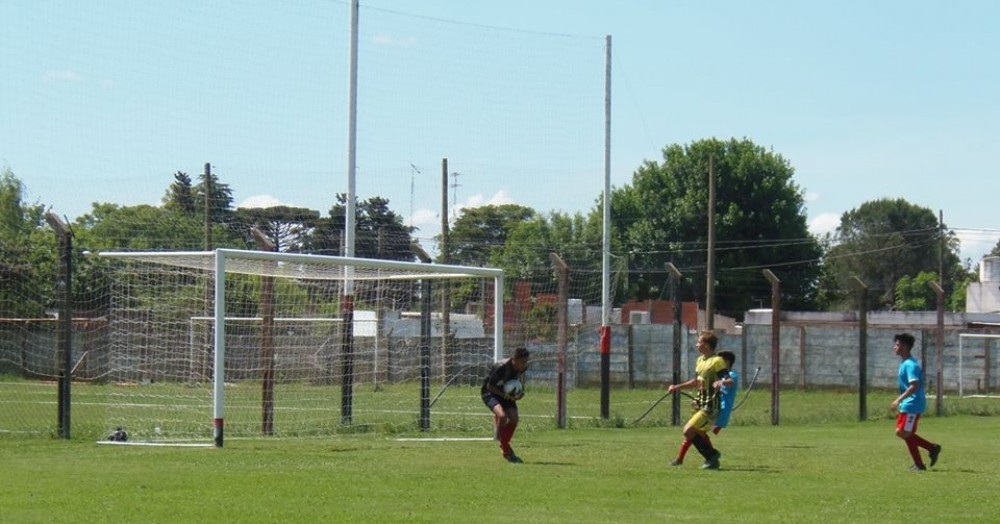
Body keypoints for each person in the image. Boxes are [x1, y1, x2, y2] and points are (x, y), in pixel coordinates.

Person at [666, 330, 731, 470]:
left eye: (699, 342)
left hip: (711, 406)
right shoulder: (700, 360)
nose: (697, 345)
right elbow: (697, 382)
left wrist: (722, 382)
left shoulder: (717, 361)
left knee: (688, 430)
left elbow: (729, 380)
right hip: (699, 404)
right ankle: (712, 460)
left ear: (707, 345)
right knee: (697, 433)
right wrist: (677, 387)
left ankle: (712, 455)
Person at [890, 333, 942, 471]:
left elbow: (914, 386)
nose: (894, 347)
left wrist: (898, 399)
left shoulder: (910, 365)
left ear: (905, 346)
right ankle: (922, 460)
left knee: (903, 433)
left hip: (913, 404)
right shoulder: (905, 363)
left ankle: (930, 450)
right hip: (908, 404)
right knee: (903, 433)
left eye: (897, 344)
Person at [481, 347, 530, 463]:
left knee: (514, 419)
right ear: (514, 359)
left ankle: (503, 440)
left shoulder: (522, 368)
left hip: (506, 393)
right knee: (502, 416)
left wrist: (520, 393)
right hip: (490, 393)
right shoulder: (501, 367)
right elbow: (490, 386)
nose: (525, 364)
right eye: (523, 362)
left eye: (526, 361)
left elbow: (519, 383)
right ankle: (505, 448)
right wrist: (506, 396)